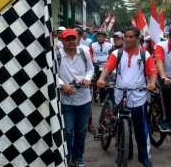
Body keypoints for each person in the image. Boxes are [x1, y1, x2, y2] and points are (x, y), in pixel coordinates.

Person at [97, 27, 156, 167]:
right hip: (119, 93)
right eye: (126, 37)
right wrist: (101, 79)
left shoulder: (144, 54)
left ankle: (144, 157)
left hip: (138, 96)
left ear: (137, 38)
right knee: (120, 124)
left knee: (140, 129)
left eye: (131, 37)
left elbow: (152, 72)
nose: (128, 39)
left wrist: (152, 83)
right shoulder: (117, 53)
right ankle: (124, 151)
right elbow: (108, 68)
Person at [57, 29, 94, 167]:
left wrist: (87, 78)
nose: (71, 41)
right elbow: (52, 74)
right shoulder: (57, 56)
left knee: (81, 131)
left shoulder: (84, 53)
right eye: (68, 39)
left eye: (73, 38)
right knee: (67, 131)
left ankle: (78, 157)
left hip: (84, 99)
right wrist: (62, 85)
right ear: (62, 41)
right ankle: (66, 158)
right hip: (66, 100)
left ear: (78, 39)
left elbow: (90, 69)